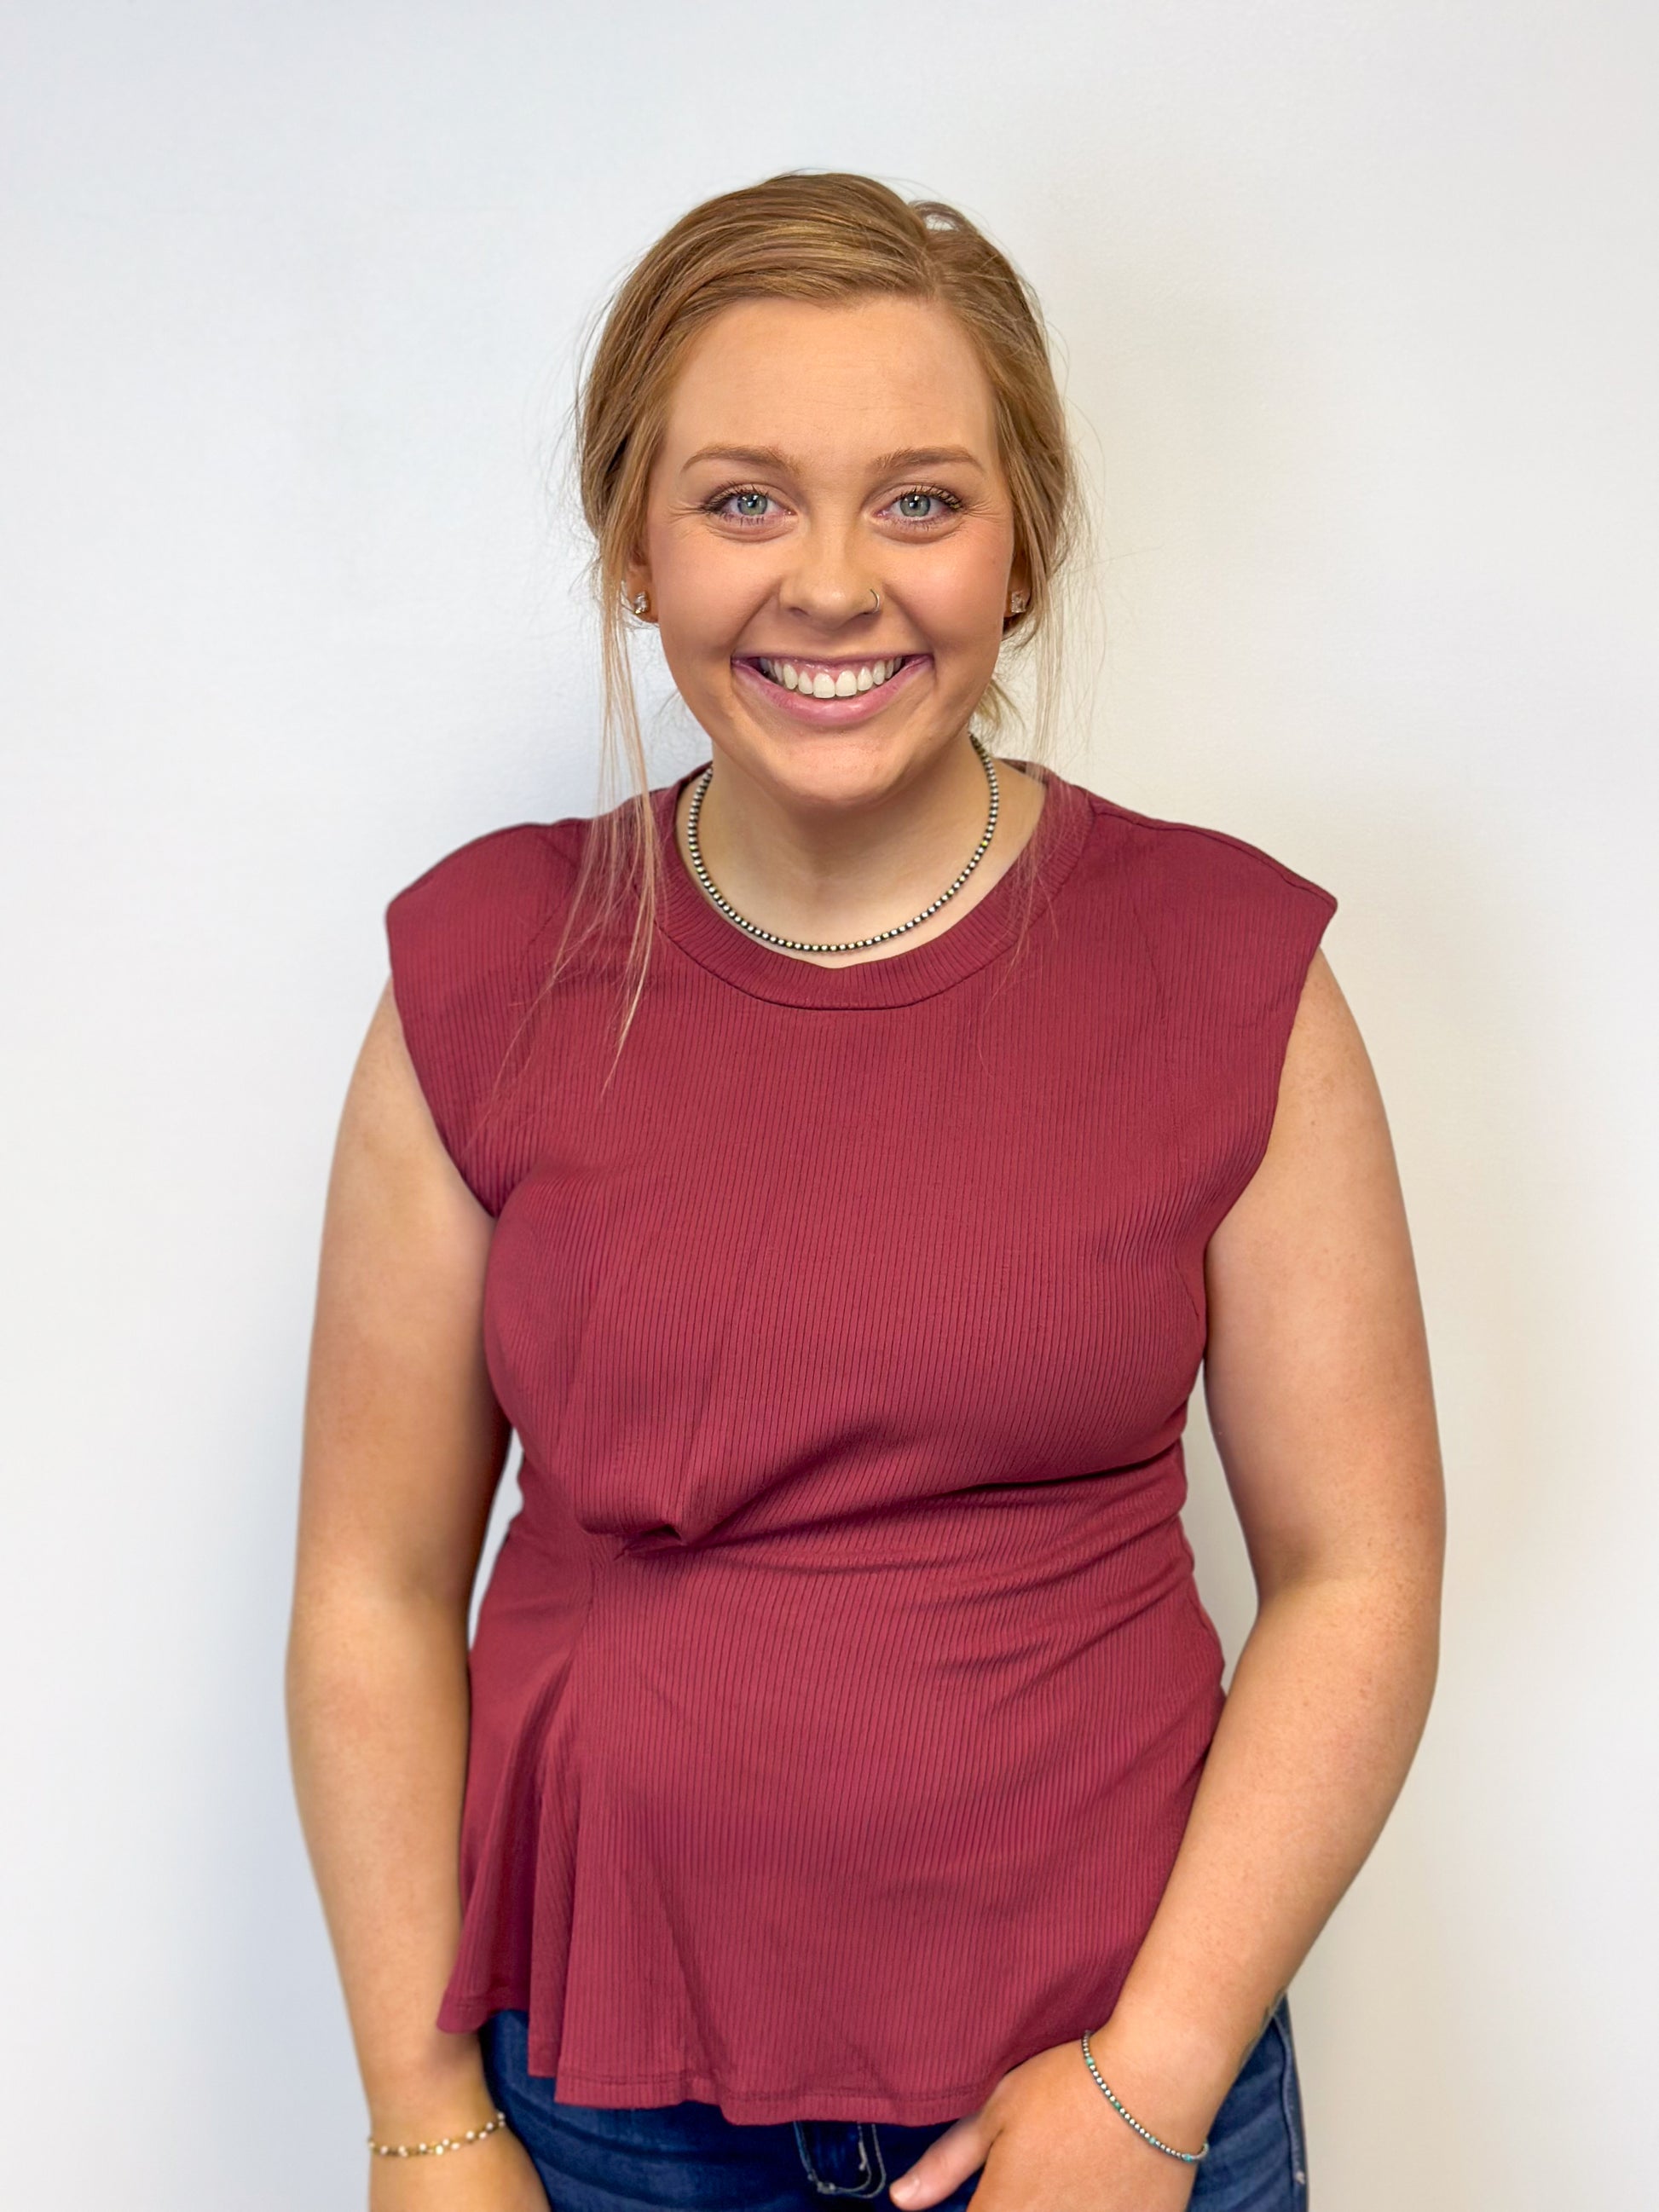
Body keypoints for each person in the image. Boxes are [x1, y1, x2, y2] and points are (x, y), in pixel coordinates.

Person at [286, 171, 1445, 2212]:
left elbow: (1357, 1571)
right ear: (635, 546)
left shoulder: (1225, 967)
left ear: (1024, 550)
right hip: (606, 2109)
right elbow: (371, 1589)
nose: (831, 583)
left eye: (919, 501)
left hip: (1110, 2083)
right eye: (743, 500)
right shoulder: (482, 969)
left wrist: (1157, 2081)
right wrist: (420, 2108)